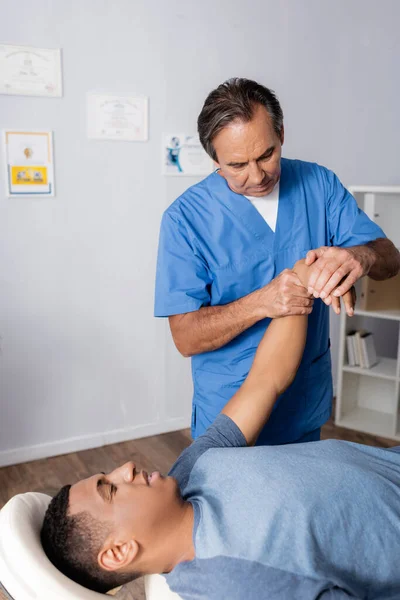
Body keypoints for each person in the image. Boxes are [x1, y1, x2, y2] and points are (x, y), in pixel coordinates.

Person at [41, 261, 400, 599]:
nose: (126, 469)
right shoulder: (236, 584)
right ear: (120, 551)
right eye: (111, 490)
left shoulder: (191, 468)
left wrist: (300, 282)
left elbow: (264, 381)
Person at [154, 77, 400, 446]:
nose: (257, 176)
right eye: (236, 165)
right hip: (231, 410)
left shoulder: (319, 184)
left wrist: (359, 257)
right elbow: (185, 337)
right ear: (214, 158)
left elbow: (390, 258)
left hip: (304, 400)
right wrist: (261, 302)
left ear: (281, 133)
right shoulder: (185, 219)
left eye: (266, 155)